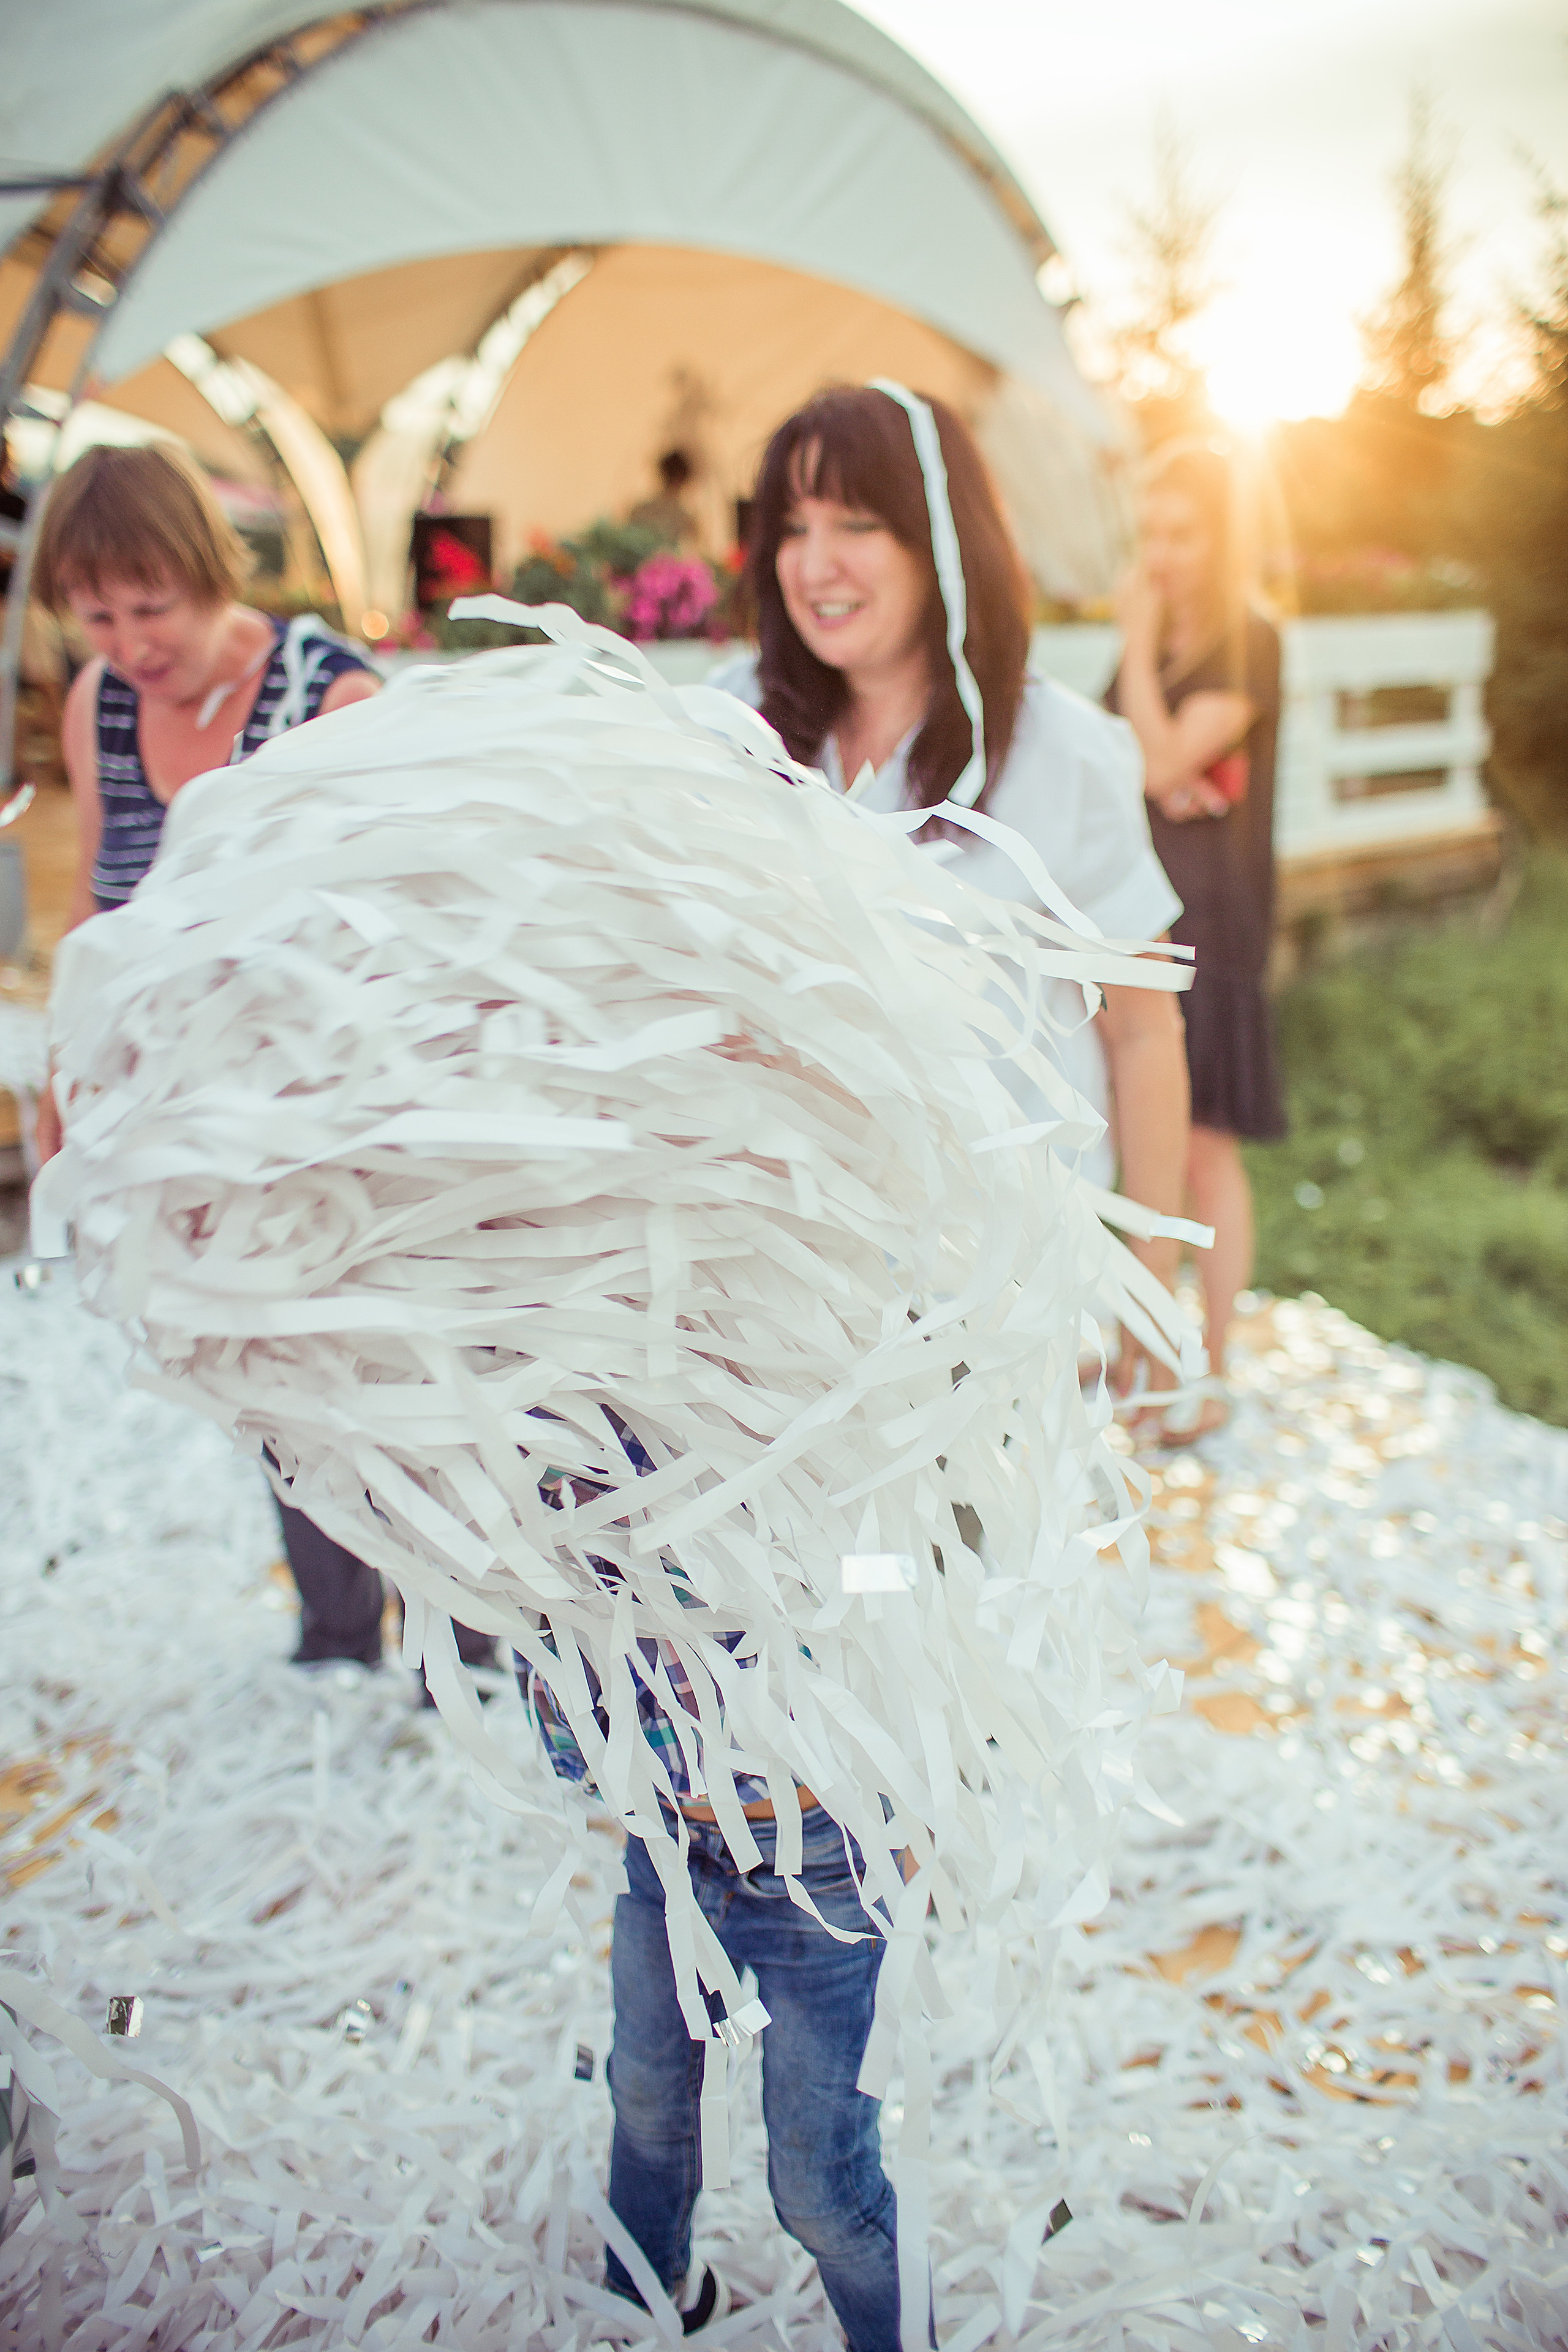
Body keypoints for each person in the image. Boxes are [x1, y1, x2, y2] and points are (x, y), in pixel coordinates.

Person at [29, 439, 492, 1683]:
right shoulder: (102, 707)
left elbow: (413, 935)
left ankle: (478, 1638)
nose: (130, 641)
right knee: (272, 1386)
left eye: (152, 606)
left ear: (208, 571)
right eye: (96, 614)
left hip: (347, 1122)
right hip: (195, 1133)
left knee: (402, 1380)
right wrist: (72, 1081)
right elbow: (93, 907)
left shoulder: (327, 699)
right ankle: (337, 1644)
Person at [712, 383, 1190, 1373]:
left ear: (941, 542)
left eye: (857, 523)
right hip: (780, 1302)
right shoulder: (731, 727)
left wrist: (1151, 1268)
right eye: (792, 527)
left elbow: (1143, 1032)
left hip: (999, 1313)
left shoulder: (1062, 750)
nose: (816, 564)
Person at [1107, 439, 1286, 1436]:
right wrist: (1155, 753)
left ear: (1220, 540)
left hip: (1216, 923)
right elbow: (1115, 757)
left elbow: (1159, 755)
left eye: (1182, 534)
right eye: (1151, 534)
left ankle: (1211, 1370)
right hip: (1149, 913)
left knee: (1207, 1146)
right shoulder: (1171, 653)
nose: (1162, 555)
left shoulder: (1245, 639)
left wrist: (1139, 671)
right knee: (1152, 1148)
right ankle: (1151, 1343)